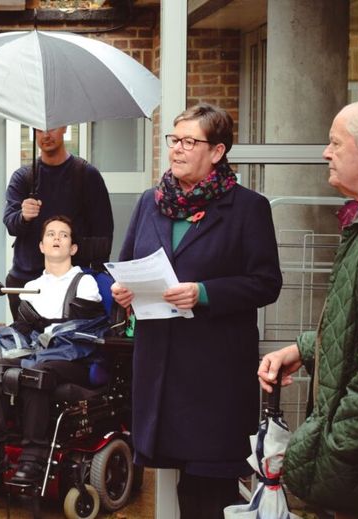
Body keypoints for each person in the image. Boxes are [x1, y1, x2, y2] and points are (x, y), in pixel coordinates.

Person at [111, 103, 282, 519]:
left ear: (217, 151)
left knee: (210, 492)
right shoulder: (150, 203)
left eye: (190, 141)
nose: (177, 150)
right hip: (160, 368)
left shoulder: (248, 208)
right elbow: (127, 261)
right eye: (175, 140)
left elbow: (266, 283)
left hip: (213, 376)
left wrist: (203, 293)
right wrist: (123, 291)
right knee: (170, 478)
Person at [257, 100, 358, 518]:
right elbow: (355, 318)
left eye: (335, 143)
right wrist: (304, 349)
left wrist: (333, 450)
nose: (326, 152)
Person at [0, 216, 106, 483]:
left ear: (73, 248)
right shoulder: (30, 288)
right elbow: (23, 331)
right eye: (50, 234)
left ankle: (34, 457)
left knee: (36, 370)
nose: (56, 238)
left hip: (74, 359)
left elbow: (82, 334)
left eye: (64, 235)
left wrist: (44, 341)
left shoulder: (85, 283)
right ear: (41, 246)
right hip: (37, 356)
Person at [4, 126, 114, 318]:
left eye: (52, 128)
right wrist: (24, 216)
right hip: (27, 277)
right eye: (39, 130)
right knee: (28, 344)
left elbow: (103, 233)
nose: (46, 135)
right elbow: (10, 223)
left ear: (65, 128)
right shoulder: (23, 178)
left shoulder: (86, 175)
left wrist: (97, 275)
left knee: (69, 343)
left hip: (72, 282)